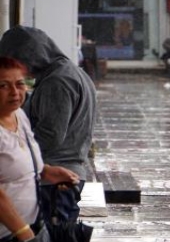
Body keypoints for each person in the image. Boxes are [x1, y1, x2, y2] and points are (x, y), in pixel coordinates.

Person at [0, 26, 97, 225]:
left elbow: (50, 135)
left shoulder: (58, 82)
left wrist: (15, 153)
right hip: (63, 175)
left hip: (53, 181)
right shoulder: (71, 73)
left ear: (32, 55)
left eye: (17, 62)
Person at [0, 57, 79, 242]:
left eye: (20, 83)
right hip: (11, 237)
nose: (15, 92)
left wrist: (46, 172)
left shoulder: (19, 116)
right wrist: (24, 233)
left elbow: (22, 163)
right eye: (3, 86)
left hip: (19, 234)